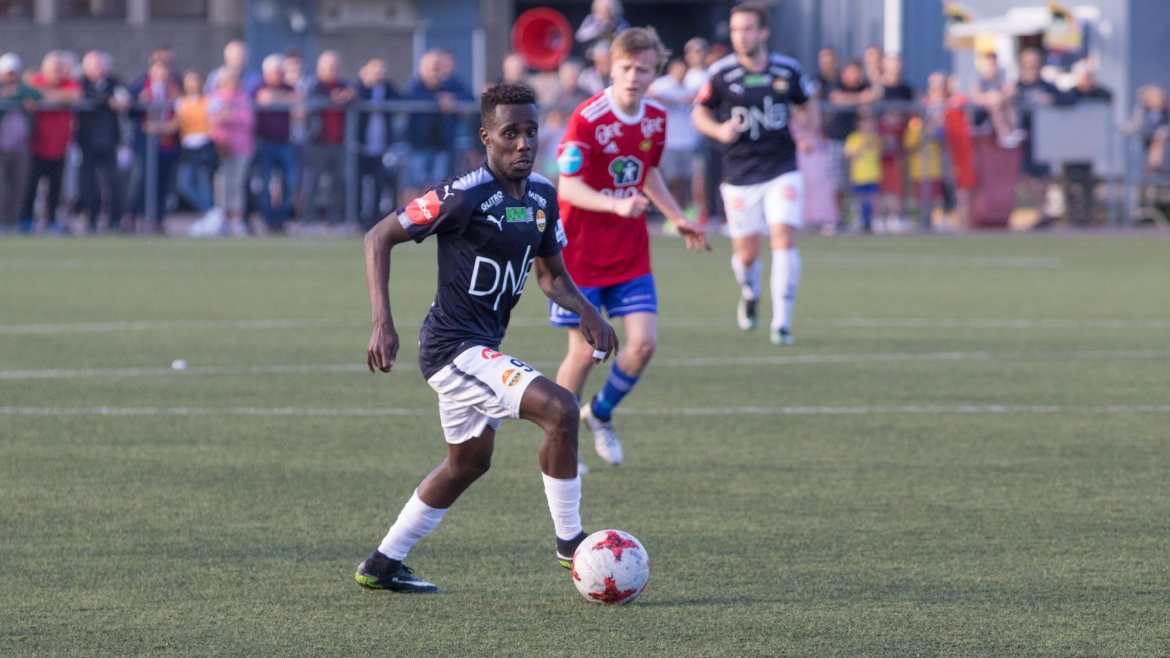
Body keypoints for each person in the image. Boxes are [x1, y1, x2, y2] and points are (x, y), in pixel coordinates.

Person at [356, 83, 619, 593]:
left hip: (481, 347)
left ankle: (382, 563)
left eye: (531, 132)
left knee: (467, 464)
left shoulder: (542, 195)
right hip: (452, 348)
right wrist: (381, 322)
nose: (524, 143)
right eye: (510, 133)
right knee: (561, 409)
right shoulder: (463, 194)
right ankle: (572, 544)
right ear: (486, 137)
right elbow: (378, 236)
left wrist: (588, 312)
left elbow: (551, 277)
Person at [553, 27, 709, 472]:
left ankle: (599, 413)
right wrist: (616, 205)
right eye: (626, 67)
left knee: (642, 345)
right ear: (611, 68)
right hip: (579, 255)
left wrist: (677, 216)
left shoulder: (656, 118)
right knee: (584, 352)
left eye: (643, 69)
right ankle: (562, 444)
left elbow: (647, 173)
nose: (633, 77)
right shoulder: (588, 118)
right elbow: (568, 186)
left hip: (629, 252)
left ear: (654, 72)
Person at [693, 1, 819, 346]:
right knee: (747, 256)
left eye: (747, 29)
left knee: (783, 239)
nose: (741, 36)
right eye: (736, 29)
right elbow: (699, 112)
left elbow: (807, 105)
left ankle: (782, 323)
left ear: (764, 32)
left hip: (782, 169)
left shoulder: (787, 70)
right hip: (739, 173)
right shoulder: (721, 73)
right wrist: (718, 131)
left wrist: (808, 133)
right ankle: (750, 292)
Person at [20, 50, 81, 234]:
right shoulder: (36, 80)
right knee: (31, 186)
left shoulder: (69, 82)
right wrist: (49, 95)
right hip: (36, 146)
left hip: (60, 147)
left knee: (55, 188)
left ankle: (52, 221)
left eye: (60, 68)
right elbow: (29, 98)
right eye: (54, 68)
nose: (57, 72)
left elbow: (74, 96)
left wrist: (44, 95)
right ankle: (26, 220)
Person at [76, 51, 129, 234]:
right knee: (89, 183)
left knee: (114, 182)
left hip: (109, 140)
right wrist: (106, 101)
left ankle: (115, 220)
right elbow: (81, 98)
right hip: (86, 140)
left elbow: (124, 98)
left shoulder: (114, 82)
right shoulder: (81, 83)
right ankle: (91, 218)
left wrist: (120, 101)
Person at [301, 50, 354, 226]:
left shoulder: (344, 85)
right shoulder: (313, 86)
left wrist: (350, 96)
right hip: (318, 143)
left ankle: (335, 220)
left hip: (339, 143)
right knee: (313, 183)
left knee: (338, 183)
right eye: (328, 67)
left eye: (334, 67)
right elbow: (313, 100)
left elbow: (354, 95)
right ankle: (309, 220)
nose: (332, 70)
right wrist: (332, 98)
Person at [252, 53, 300, 233]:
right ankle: (268, 219)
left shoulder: (289, 87)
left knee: (289, 182)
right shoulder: (259, 87)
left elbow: (299, 107)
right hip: (265, 142)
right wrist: (284, 98)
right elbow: (263, 99)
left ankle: (281, 219)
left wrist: (277, 98)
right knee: (265, 183)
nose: (277, 76)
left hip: (285, 142)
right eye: (273, 72)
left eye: (280, 72)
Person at [648, 57, 700, 213]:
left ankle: (687, 209)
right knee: (672, 178)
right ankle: (674, 209)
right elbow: (651, 94)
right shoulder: (662, 85)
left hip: (688, 141)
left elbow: (697, 96)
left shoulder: (691, 85)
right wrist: (675, 100)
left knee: (687, 179)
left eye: (683, 71)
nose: (681, 74)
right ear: (671, 71)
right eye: (678, 71)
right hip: (669, 141)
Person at [207, 70, 254, 236]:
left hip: (242, 147)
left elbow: (248, 121)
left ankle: (237, 219)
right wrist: (225, 116)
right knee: (222, 184)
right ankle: (222, 218)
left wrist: (230, 116)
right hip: (222, 148)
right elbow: (212, 120)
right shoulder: (215, 98)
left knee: (237, 184)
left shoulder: (243, 98)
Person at [355, 56, 398, 230]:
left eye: (381, 71)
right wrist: (366, 86)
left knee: (379, 183)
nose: (378, 74)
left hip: (381, 146)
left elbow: (401, 99)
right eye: (375, 70)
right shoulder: (359, 88)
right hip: (360, 146)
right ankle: (357, 217)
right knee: (358, 182)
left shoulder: (387, 88)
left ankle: (375, 218)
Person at [0, 53, 41, 233]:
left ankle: (13, 222)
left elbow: (35, 95)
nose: (11, 76)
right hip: (2, 147)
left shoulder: (24, 89)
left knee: (18, 187)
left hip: (20, 147)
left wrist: (15, 96)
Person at [175, 69, 218, 233]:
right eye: (188, 82)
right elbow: (176, 123)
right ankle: (210, 212)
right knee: (184, 184)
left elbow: (216, 121)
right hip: (188, 147)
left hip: (204, 145)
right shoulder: (181, 103)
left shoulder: (209, 101)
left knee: (204, 183)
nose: (192, 85)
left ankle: (209, 215)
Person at [843, 108, 881, 233]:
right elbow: (849, 154)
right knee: (861, 200)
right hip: (859, 176)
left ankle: (872, 222)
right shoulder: (853, 137)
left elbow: (880, 152)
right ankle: (862, 221)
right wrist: (863, 144)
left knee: (873, 199)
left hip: (873, 174)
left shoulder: (875, 137)